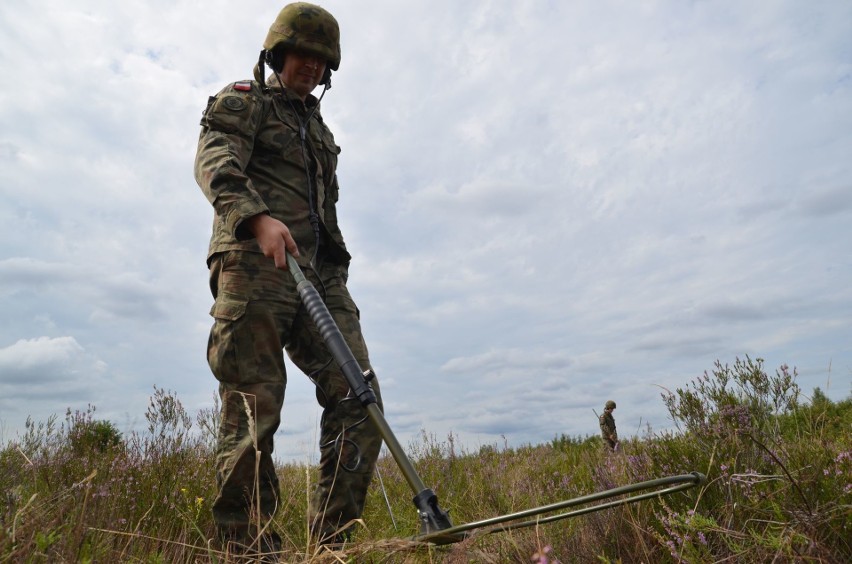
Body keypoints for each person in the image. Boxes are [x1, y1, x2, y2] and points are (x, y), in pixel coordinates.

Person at [194, 2, 383, 552]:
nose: (312, 66)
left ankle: (333, 545)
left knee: (360, 399)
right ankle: (247, 547)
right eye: (303, 54)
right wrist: (258, 218)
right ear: (279, 52)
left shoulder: (320, 132)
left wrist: (333, 272)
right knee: (254, 409)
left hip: (319, 281)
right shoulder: (244, 101)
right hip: (255, 267)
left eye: (322, 60)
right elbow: (214, 159)